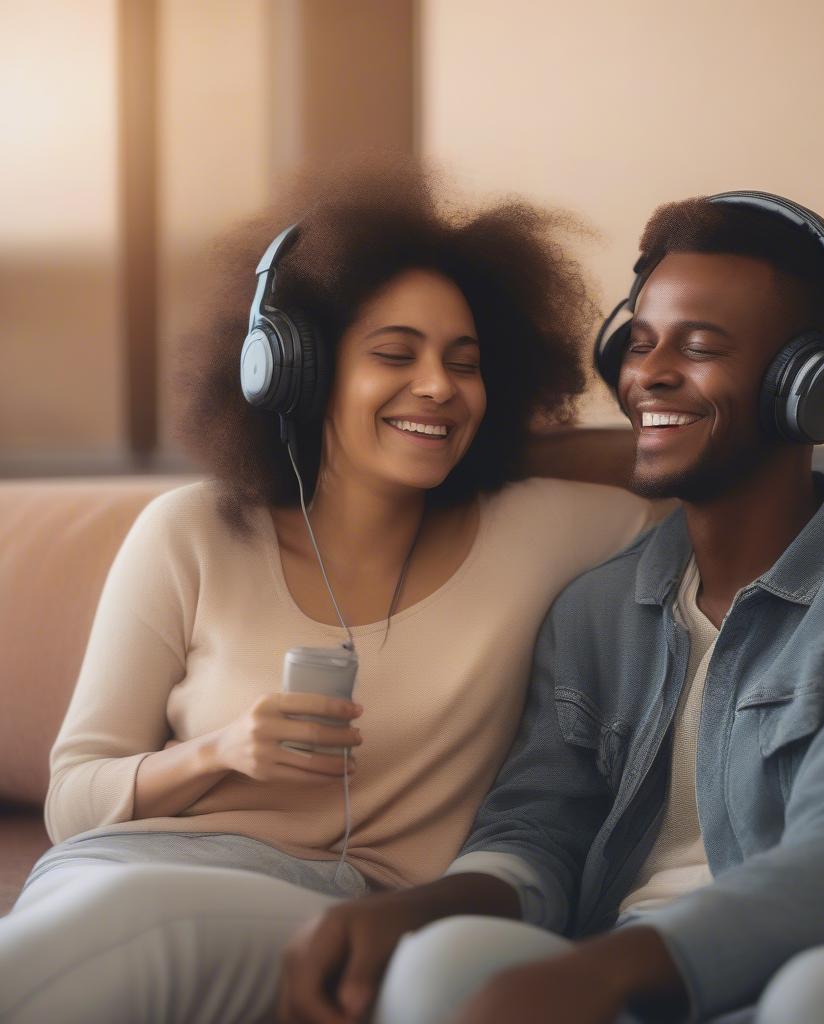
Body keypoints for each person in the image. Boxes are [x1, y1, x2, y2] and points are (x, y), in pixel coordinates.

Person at [277, 192, 824, 1024]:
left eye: (701, 346)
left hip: (788, 971)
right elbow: (537, 831)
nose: (649, 374)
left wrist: (608, 973)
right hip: (611, 969)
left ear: (806, 387)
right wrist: (426, 907)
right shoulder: (596, 610)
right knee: (440, 961)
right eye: (639, 345)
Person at [0, 161, 661, 1023]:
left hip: (358, 916)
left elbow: (718, 517)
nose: (437, 386)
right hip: (128, 873)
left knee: (125, 933)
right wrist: (220, 751)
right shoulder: (189, 532)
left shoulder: (550, 531)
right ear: (297, 372)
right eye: (395, 354)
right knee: (112, 921)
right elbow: (72, 798)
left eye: (464, 363)